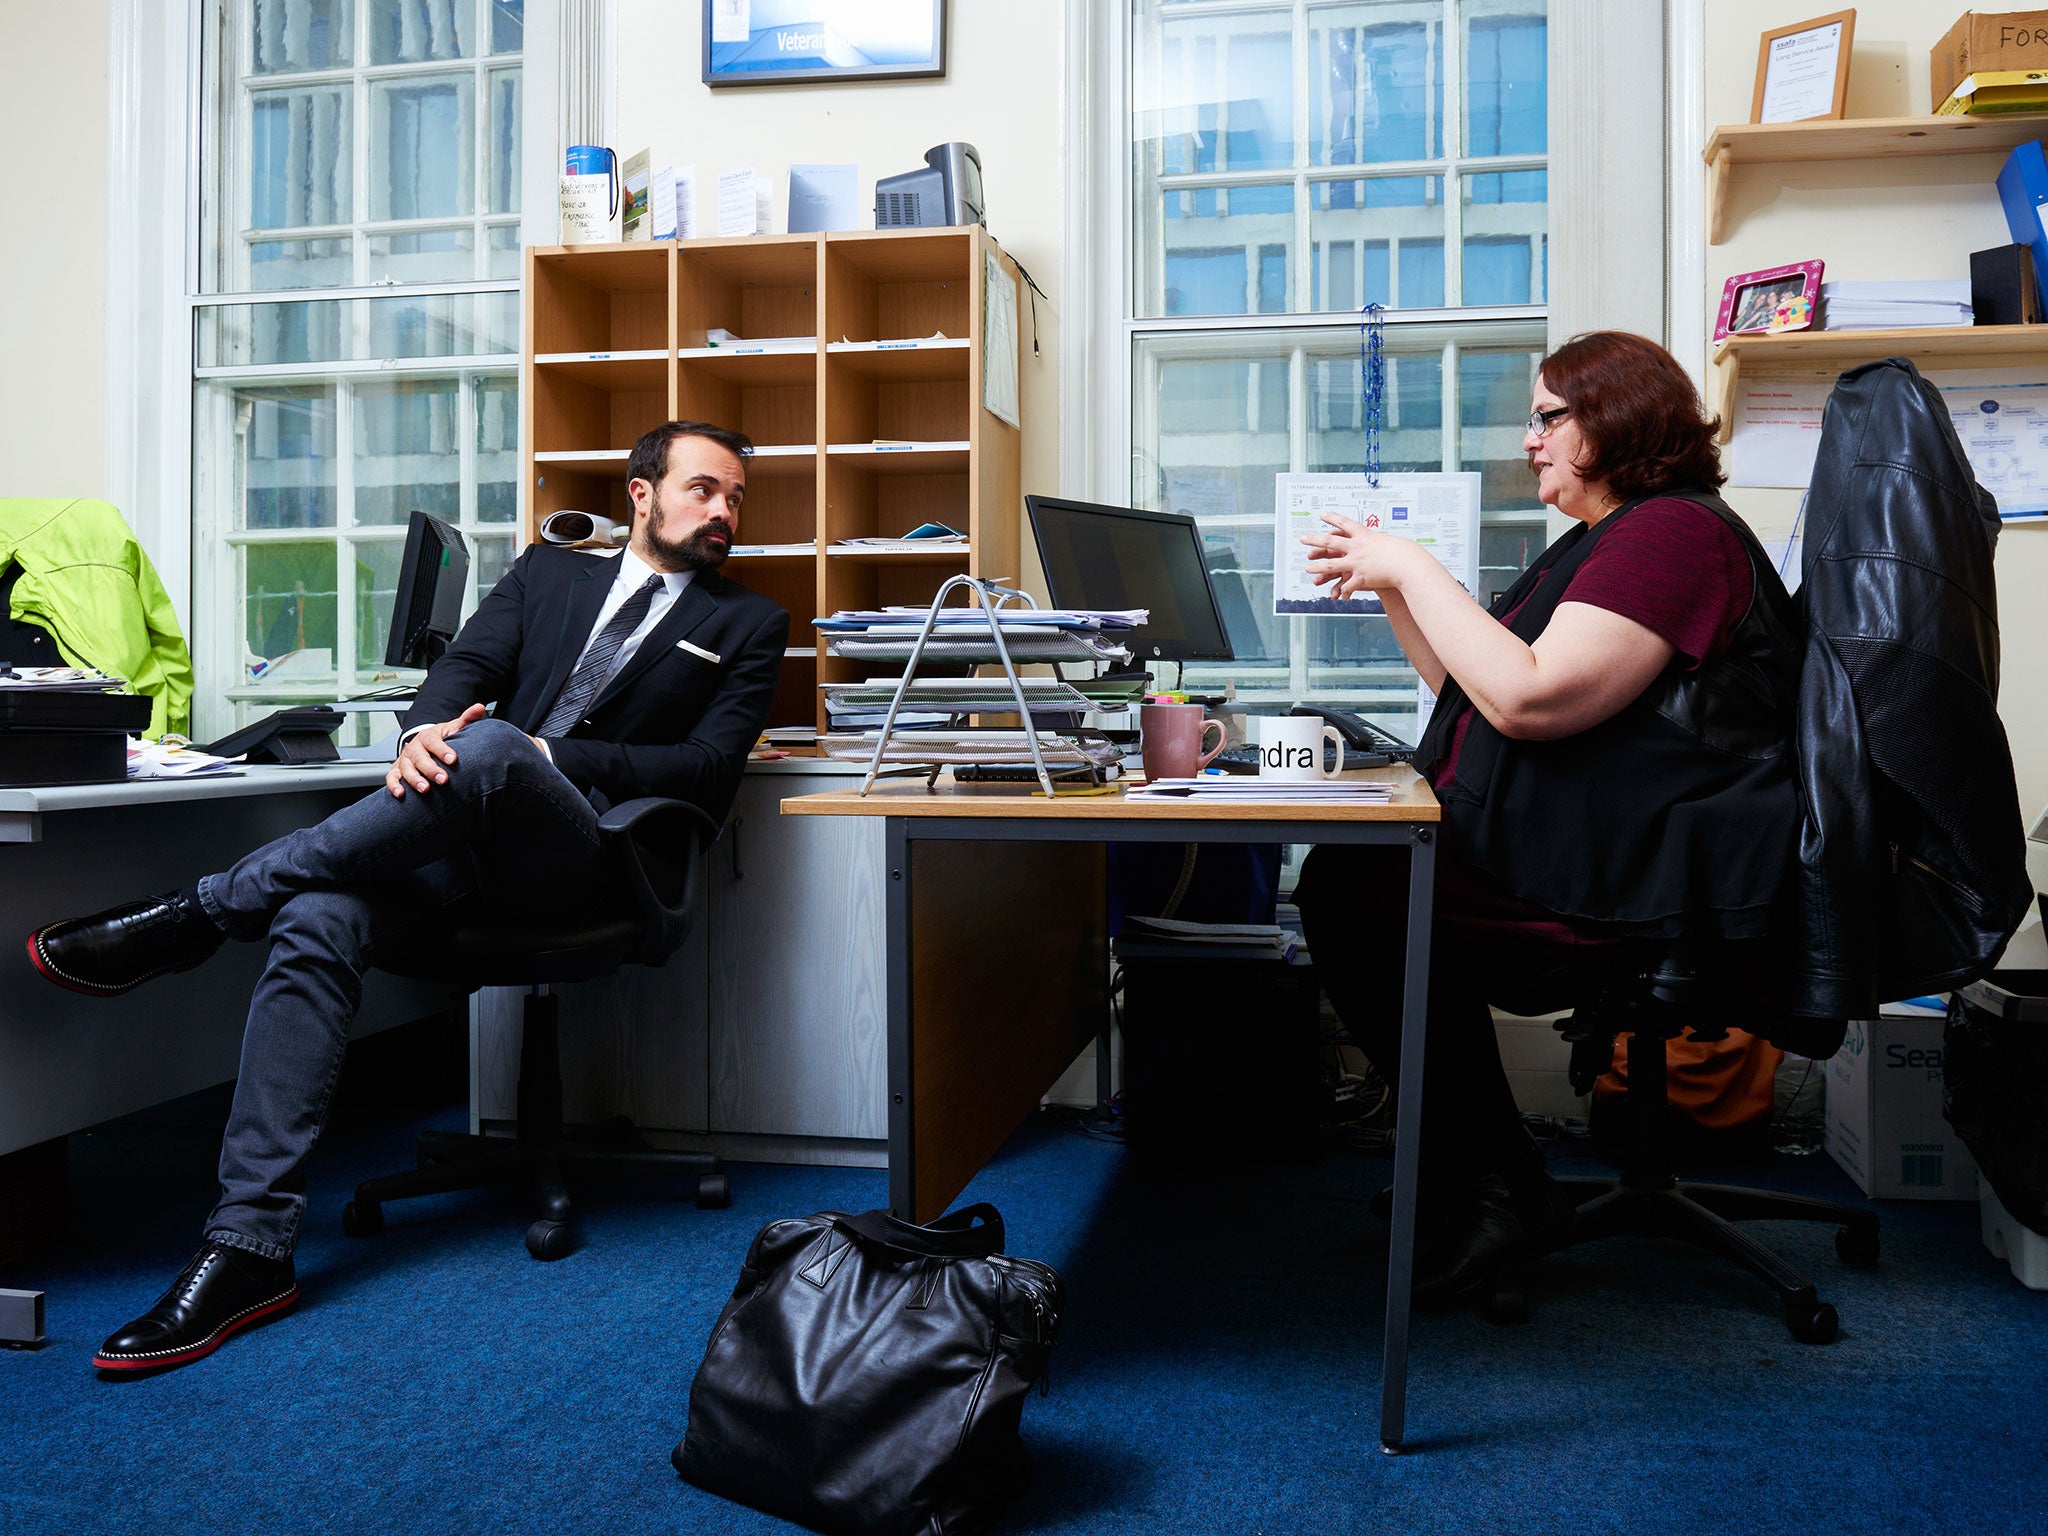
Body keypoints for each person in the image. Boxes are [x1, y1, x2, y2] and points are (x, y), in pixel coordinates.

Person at [26, 420, 791, 1373]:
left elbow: (711, 769)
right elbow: (461, 675)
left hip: (589, 858)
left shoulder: (747, 622)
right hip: (456, 851)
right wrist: (423, 736)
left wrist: (540, 754)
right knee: (318, 913)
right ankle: (249, 1249)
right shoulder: (549, 576)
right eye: (705, 490)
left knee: (501, 746)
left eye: (736, 499)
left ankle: (202, 912)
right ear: (642, 493)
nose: (725, 512)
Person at [1294, 331, 1800, 1301]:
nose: (1528, 440)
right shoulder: (1606, 540)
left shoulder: (1667, 535)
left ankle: (1494, 1181)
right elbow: (1470, 688)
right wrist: (1398, 582)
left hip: (1641, 879)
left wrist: (1411, 562)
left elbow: (1531, 699)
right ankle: (1475, 1168)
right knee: (1364, 879)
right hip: (1610, 848)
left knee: (1358, 889)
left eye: (1546, 417)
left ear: (1612, 419)